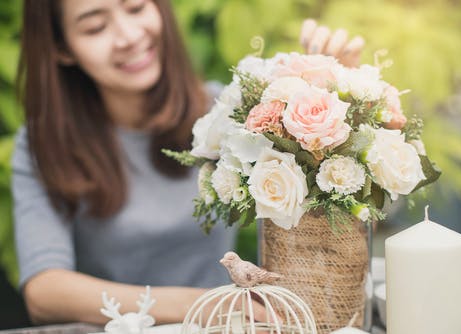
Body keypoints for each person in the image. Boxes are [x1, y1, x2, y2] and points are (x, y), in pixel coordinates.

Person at [12, 0, 364, 326]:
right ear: (61, 48)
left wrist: (336, 99)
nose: (129, 36)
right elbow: (44, 291)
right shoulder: (44, 143)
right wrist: (202, 305)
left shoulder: (224, 113)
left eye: (135, 7)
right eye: (95, 28)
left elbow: (334, 217)